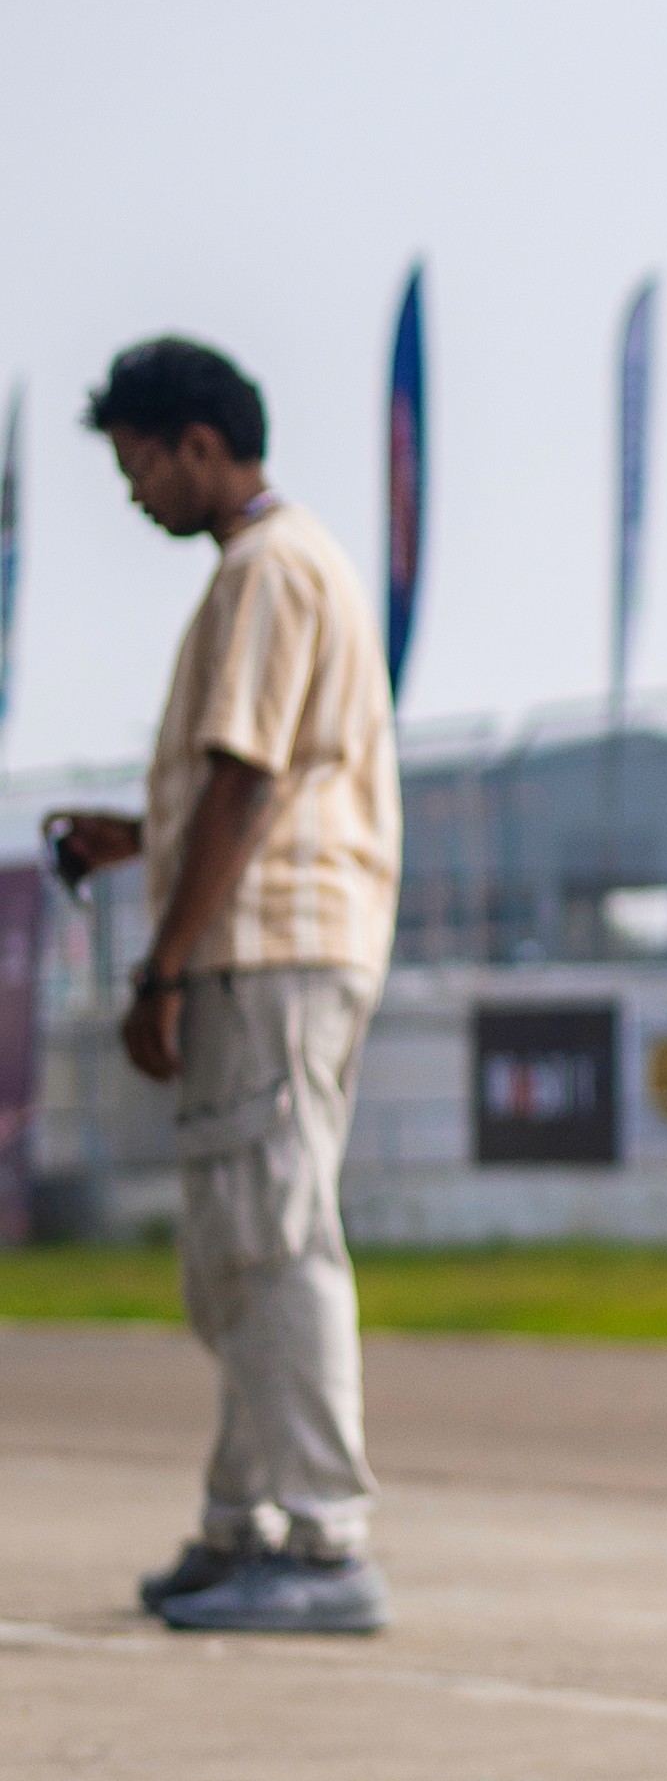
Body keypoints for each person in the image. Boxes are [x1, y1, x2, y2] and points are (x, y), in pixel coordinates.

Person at [47, 339, 401, 1634]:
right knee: (235, 1247)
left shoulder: (266, 569)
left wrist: (163, 964)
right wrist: (136, 835)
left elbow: (252, 783)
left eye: (142, 460)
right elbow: (252, 785)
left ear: (201, 444)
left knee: (274, 1230)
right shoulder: (282, 568)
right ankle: (247, 1517)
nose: (138, 489)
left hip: (271, 947)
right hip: (272, 936)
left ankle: (323, 1540)